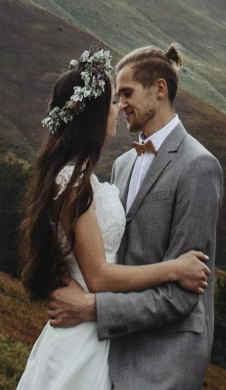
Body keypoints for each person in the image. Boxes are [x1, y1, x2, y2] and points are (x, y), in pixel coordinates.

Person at [17, 48, 214, 390]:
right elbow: (97, 259)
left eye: (127, 93)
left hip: (161, 361)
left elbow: (185, 291)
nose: (120, 105)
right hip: (105, 349)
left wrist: (93, 308)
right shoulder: (121, 166)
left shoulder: (199, 166)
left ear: (160, 90)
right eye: (114, 98)